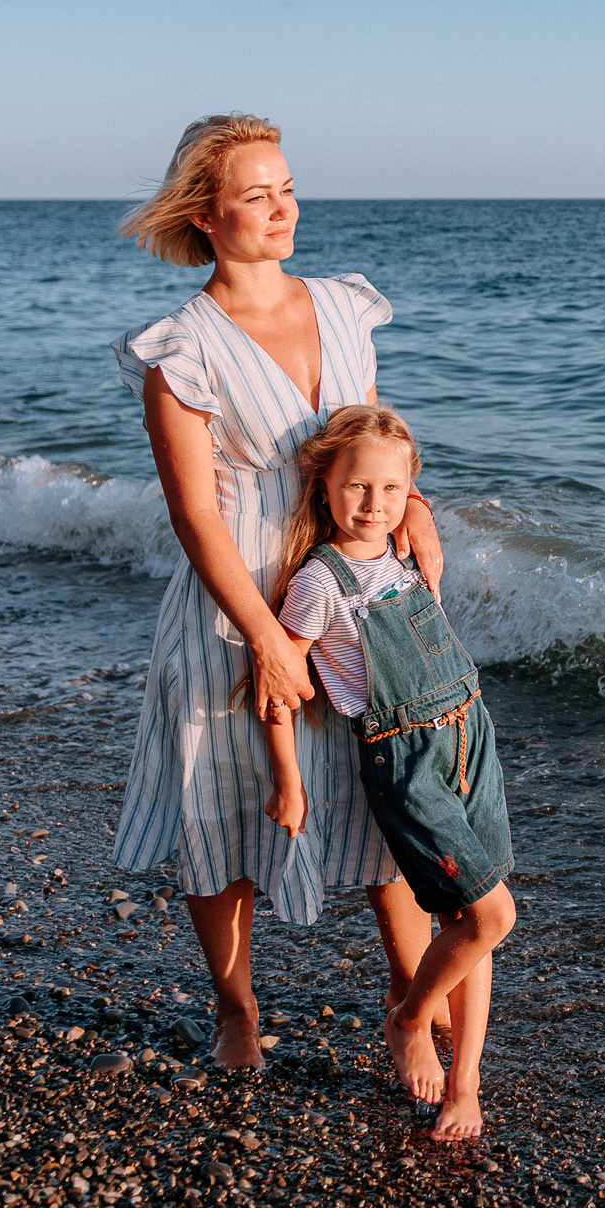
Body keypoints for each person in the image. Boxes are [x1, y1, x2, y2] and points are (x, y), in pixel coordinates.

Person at [110, 113, 445, 1071]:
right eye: (256, 195)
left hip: (353, 600)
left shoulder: (341, 305)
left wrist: (414, 499)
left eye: (287, 187)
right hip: (235, 609)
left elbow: (368, 442)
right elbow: (195, 520)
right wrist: (263, 635)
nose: (282, 208)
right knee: (222, 810)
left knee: (394, 808)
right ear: (206, 216)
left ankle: (409, 1005)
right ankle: (237, 1007)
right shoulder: (183, 347)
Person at [262, 404, 515, 1142]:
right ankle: (409, 1017)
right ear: (325, 490)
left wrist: (421, 525)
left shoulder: (406, 550)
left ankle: (465, 1082)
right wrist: (289, 778)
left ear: (411, 492)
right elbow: (278, 679)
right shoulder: (320, 580)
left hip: (472, 735)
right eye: (357, 488)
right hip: (406, 759)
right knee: (493, 913)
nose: (375, 504)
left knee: (474, 922)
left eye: (391, 489)